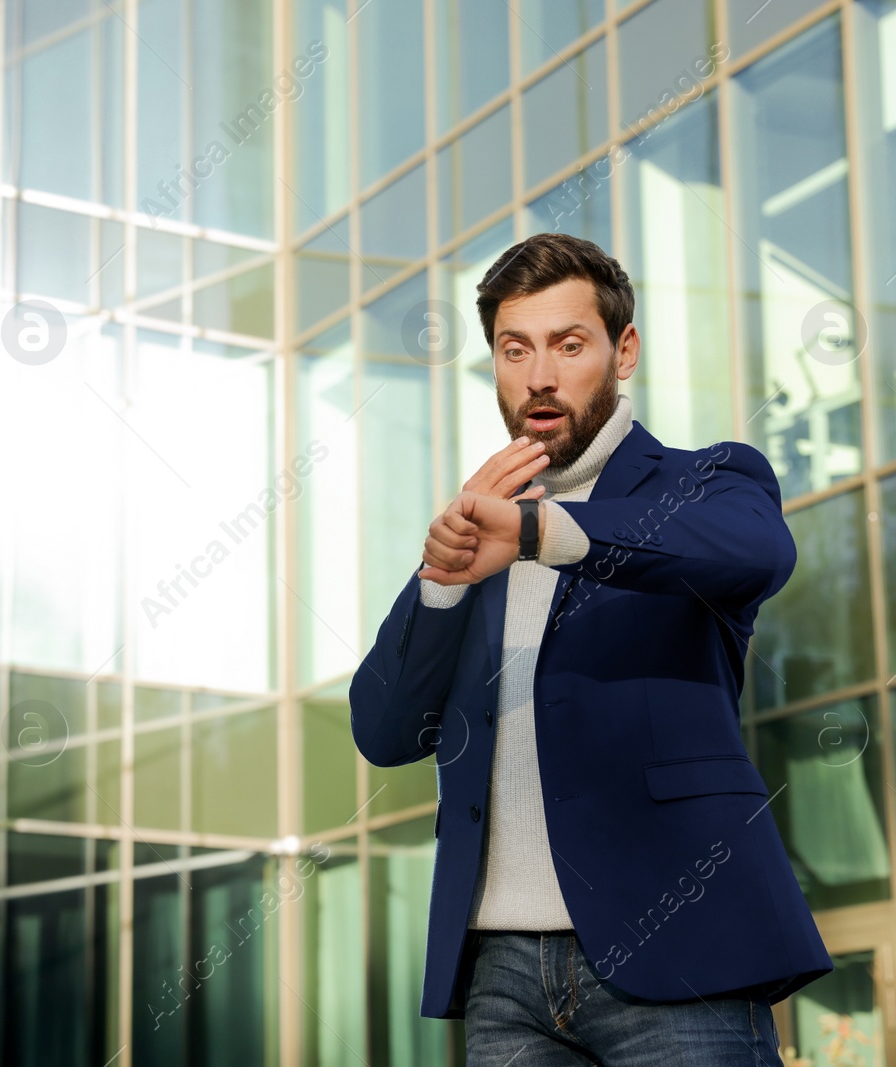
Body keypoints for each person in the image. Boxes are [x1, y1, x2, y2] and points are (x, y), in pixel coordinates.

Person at [349, 232, 831, 1065]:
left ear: (623, 351)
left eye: (569, 345)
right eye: (515, 349)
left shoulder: (709, 480)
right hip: (500, 970)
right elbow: (385, 730)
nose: (540, 375)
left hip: (684, 951)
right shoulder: (479, 529)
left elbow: (755, 551)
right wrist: (441, 576)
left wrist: (539, 530)